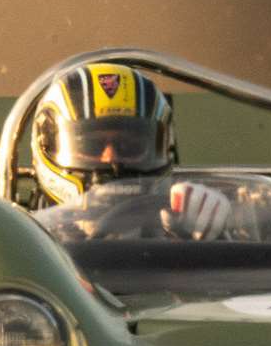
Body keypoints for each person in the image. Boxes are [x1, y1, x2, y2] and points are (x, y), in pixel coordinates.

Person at [29, 64, 237, 239]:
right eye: (91, 146)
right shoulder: (22, 239)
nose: (111, 158)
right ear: (46, 147)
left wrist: (209, 234)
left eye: (128, 146)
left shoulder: (177, 228)